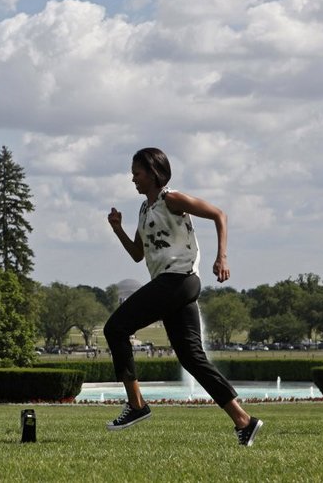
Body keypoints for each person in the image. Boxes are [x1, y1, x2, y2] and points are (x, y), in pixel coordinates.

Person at [104, 147, 262, 447]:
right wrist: (118, 230)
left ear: (153, 173)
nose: (132, 178)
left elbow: (219, 214)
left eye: (136, 172)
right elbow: (138, 255)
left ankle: (137, 405)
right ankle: (244, 421)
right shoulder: (144, 210)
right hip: (172, 286)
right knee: (191, 357)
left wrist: (222, 258)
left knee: (115, 328)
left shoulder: (171, 199)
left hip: (178, 280)